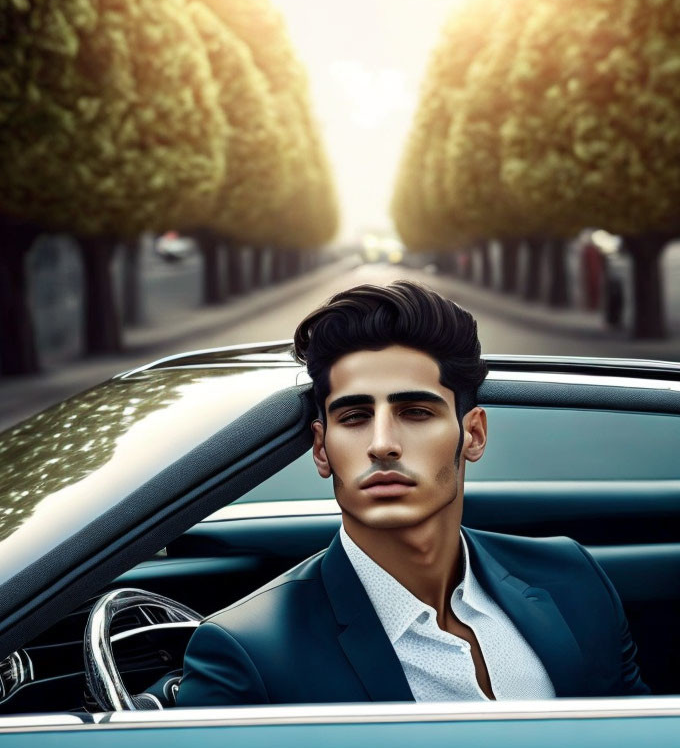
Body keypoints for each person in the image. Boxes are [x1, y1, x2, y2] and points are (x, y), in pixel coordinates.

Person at [176, 281, 647, 706]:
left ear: (474, 435)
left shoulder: (571, 577)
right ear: (322, 449)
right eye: (355, 417)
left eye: (416, 412)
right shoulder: (249, 652)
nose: (382, 444)